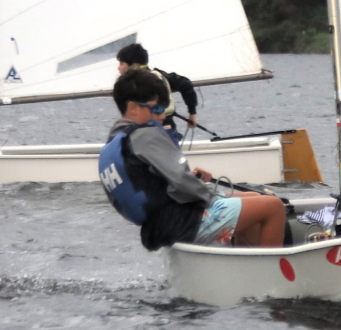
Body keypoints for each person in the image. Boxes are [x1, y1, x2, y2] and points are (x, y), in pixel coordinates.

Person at [98, 67, 285, 250]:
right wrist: (209, 196)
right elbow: (180, 179)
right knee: (273, 206)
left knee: (252, 198)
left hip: (160, 227)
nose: (163, 115)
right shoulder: (146, 134)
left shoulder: (116, 139)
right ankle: (267, 275)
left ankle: (245, 264)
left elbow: (151, 183)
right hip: (184, 222)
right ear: (133, 109)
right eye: (157, 108)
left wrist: (194, 179)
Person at [116, 43, 199, 127]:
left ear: (134, 65)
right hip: (169, 128)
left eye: (121, 63)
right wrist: (192, 113)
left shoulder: (132, 84)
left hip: (149, 130)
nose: (118, 68)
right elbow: (185, 84)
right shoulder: (160, 76)